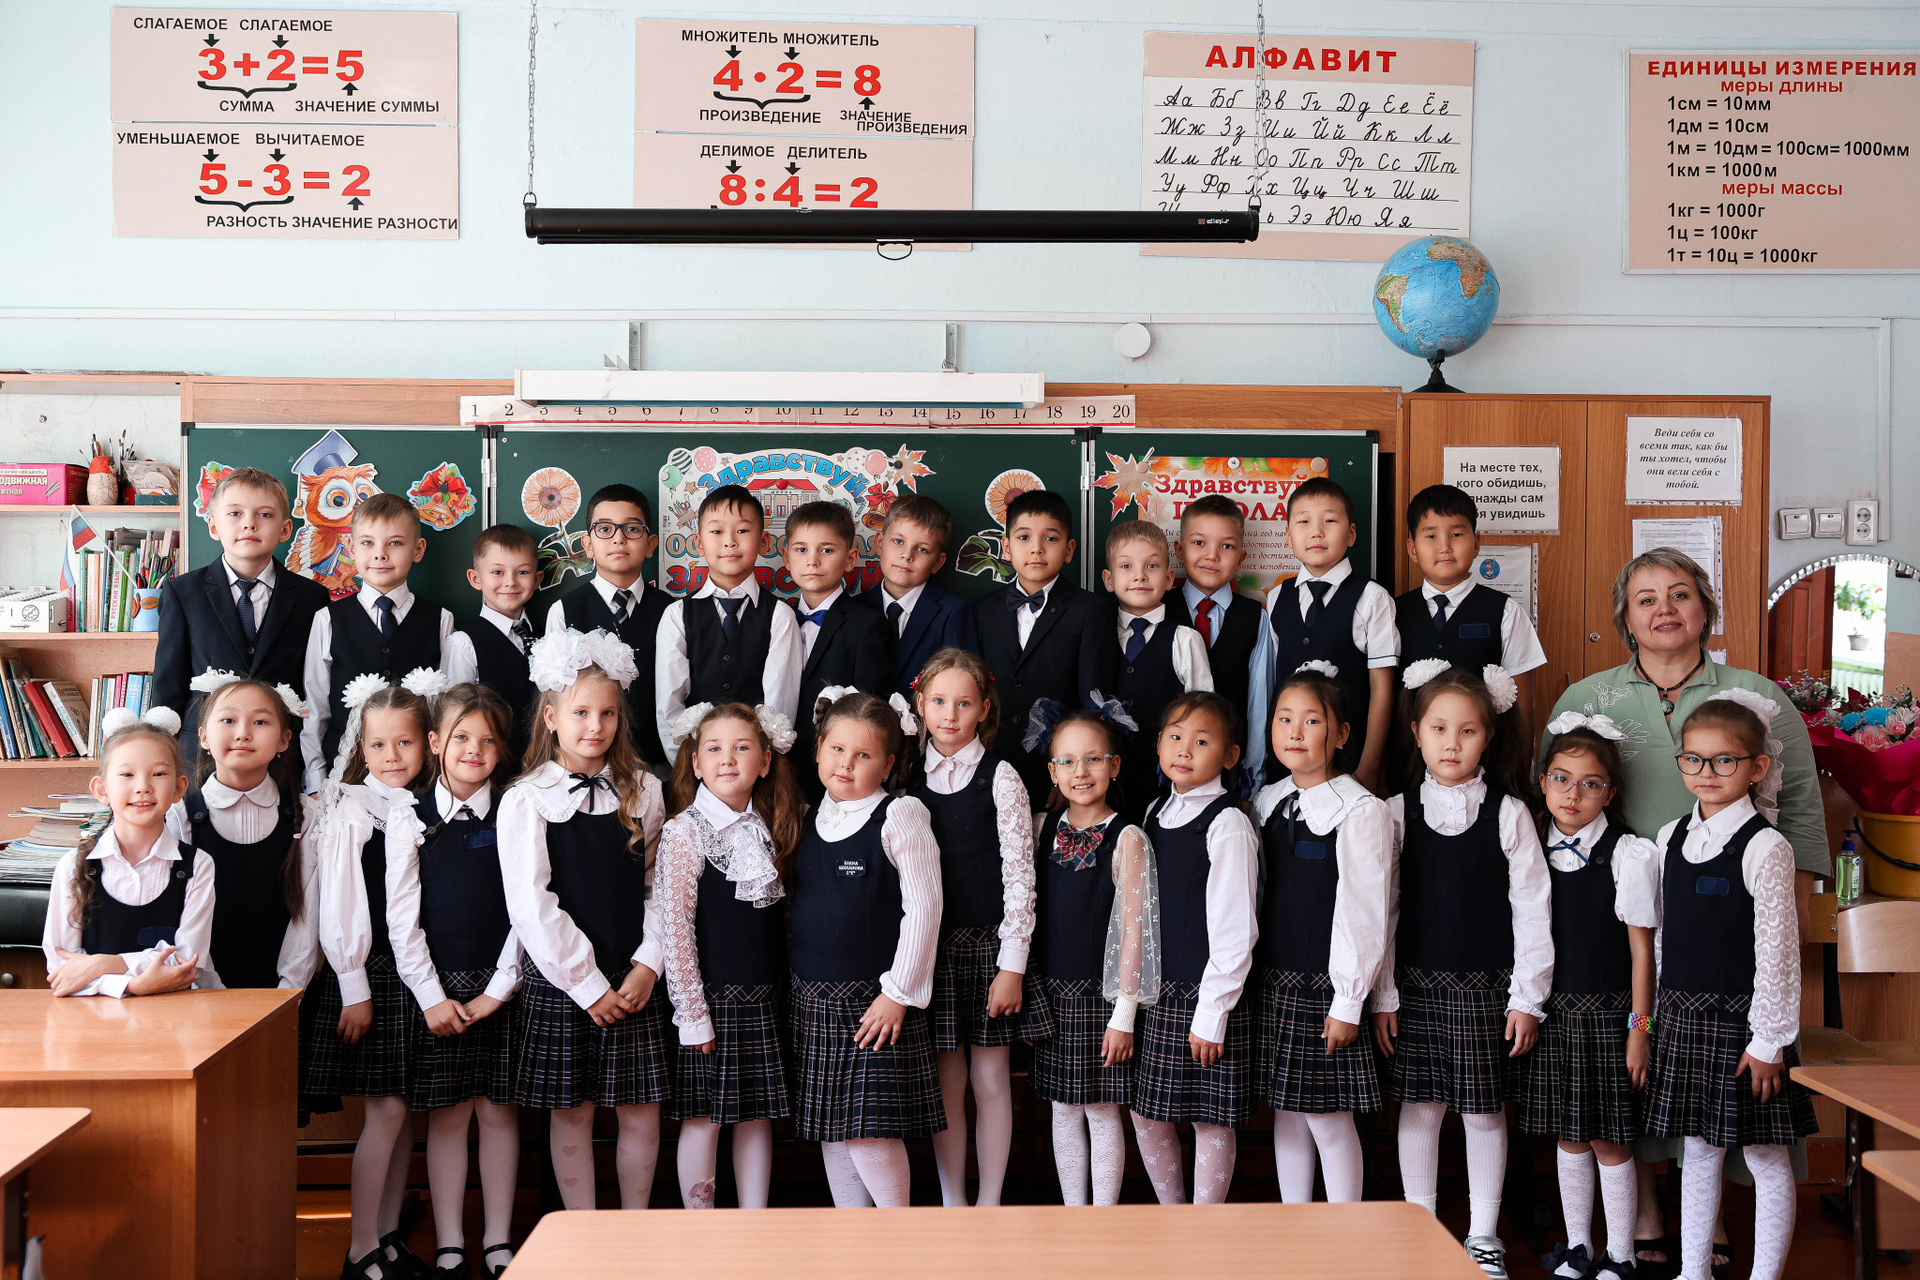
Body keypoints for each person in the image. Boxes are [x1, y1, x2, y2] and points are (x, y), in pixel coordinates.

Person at [1544, 548, 1832, 1273]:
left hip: (1731, 913)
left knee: (1725, 1099)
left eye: (1680, 593)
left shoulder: (1754, 694)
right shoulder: (1588, 696)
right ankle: (1643, 1211)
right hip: (1617, 920)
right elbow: (1556, 795)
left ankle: (1712, 1226)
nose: (1664, 609)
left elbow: (1801, 808)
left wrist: (1795, 905)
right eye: (1645, 598)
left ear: (1706, 607)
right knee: (1634, 1071)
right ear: (1625, 617)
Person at [1373, 661, 1551, 1280]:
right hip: (1414, 988)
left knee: (1482, 1111)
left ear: (1489, 737)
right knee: (1420, 1108)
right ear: (1416, 732)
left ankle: (1483, 1235)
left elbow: (1532, 910)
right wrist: (1383, 995)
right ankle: (1419, 1228)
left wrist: (1527, 999)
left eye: (1467, 730)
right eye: (1439, 728)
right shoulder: (1394, 813)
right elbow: (1381, 914)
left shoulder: (1510, 813)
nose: (1452, 743)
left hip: (1487, 991)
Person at [1644, 693, 1818, 1280]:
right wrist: (1654, 1020)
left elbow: (1778, 953)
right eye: (1693, 759)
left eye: (1724, 760)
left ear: (1757, 766)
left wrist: (1769, 1041)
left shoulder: (1766, 846)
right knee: (1697, 1151)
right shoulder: (1669, 837)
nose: (1707, 772)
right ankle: (1693, 1271)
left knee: (1766, 1157)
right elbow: (1663, 938)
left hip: (1744, 1030)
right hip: (1682, 1019)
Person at [496, 628, 670, 1211]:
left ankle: (635, 1230)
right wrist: (587, 985)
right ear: (551, 717)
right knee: (572, 1114)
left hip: (632, 976)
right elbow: (531, 904)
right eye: (580, 713)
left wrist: (648, 963)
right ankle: (583, 1233)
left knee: (641, 1111)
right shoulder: (527, 799)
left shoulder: (644, 790)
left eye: (608, 713)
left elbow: (659, 884)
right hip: (566, 980)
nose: (595, 725)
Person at [385, 683, 522, 1279]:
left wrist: (501, 986)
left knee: (498, 1112)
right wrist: (431, 998)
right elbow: (401, 919)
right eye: (462, 737)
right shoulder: (409, 816)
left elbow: (527, 910)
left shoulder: (515, 809)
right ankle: (449, 1241)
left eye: (488, 741)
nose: (474, 750)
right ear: (436, 742)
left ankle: (497, 1238)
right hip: (437, 990)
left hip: (502, 986)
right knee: (446, 1116)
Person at [787, 692, 944, 1209]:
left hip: (873, 1004)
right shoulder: (806, 817)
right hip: (813, 999)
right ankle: (855, 1240)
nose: (846, 764)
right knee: (834, 1132)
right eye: (837, 749)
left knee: (869, 1135)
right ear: (817, 751)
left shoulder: (899, 815)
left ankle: (900, 1237)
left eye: (863, 755)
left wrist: (897, 994)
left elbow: (924, 908)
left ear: (889, 763)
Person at [308, 675, 441, 1280]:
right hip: (371, 975)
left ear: (427, 743)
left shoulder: (425, 803)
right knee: (385, 1112)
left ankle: (388, 1237)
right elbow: (339, 904)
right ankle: (359, 1245)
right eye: (379, 745)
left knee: (405, 1113)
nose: (392, 756)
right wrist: (354, 986)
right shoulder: (352, 810)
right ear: (361, 748)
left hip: (414, 976)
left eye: (404, 743)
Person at [908, 648, 1049, 1207]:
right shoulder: (904, 775)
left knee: (990, 1079)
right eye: (939, 701)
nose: (950, 714)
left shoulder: (1001, 776)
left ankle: (990, 1203)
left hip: (990, 949)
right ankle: (953, 1203)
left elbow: (1020, 877)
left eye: (964, 703)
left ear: (984, 709)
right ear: (921, 704)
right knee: (946, 1082)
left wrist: (1011, 966)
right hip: (931, 951)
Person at [1522, 714, 1660, 1280]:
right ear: (1543, 781)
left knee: (1608, 1139)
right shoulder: (1530, 846)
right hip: (1553, 1015)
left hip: (1608, 1019)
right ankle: (1578, 1247)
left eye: (1590, 783)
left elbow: (1643, 953)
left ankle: (1620, 1253)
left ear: (1611, 791)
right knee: (1570, 1136)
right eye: (1561, 778)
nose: (1572, 794)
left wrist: (1639, 1031)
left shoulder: (1628, 854)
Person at [1252, 662, 1391, 1205]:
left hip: (1325, 988)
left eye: (1312, 720)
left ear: (1341, 734)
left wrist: (1349, 1002)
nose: (1295, 732)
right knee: (1287, 1112)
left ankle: (1346, 1236)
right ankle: (1297, 1228)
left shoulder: (1360, 810)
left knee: (1329, 1118)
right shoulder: (1267, 801)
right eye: (1284, 718)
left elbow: (1366, 911)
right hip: (1275, 981)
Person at [657, 702, 804, 1211]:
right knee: (705, 1118)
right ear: (696, 763)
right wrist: (693, 1013)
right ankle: (701, 1232)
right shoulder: (685, 831)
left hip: (764, 997)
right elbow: (675, 930)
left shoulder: (770, 825)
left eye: (742, 748)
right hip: (712, 1003)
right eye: (714, 749)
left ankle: (753, 1225)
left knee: (756, 1114)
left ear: (764, 762)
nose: (727, 759)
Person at [1130, 692, 1259, 1205]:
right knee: (1147, 1112)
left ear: (1230, 755)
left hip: (1205, 997)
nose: (1185, 750)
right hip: (1157, 994)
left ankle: (1207, 1226)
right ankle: (1174, 1216)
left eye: (1202, 741)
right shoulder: (1154, 811)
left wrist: (1212, 1013)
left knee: (1211, 1117)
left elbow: (1235, 930)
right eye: (1176, 737)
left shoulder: (1228, 824)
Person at [1030, 710, 1160, 1207]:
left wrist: (1123, 1014)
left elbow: (1135, 930)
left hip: (1102, 1001)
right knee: (1063, 1109)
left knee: (1103, 1110)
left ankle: (1103, 1219)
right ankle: (1074, 1216)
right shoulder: (1041, 828)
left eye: (1093, 759)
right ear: (1052, 772)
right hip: (1052, 996)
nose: (1080, 772)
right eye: (1066, 761)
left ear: (1115, 766)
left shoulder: (1128, 838)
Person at [153, 466, 330, 753]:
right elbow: (168, 687)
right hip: (203, 754)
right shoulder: (183, 593)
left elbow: (316, 687)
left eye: (265, 514)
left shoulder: (312, 597)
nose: (249, 524)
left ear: (285, 529)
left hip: (284, 751)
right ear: (214, 527)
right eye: (235, 513)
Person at [167, 673, 319, 992]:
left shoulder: (305, 815)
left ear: (284, 740)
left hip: (286, 994)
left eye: (260, 722)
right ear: (203, 737)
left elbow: (308, 914)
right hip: (200, 992)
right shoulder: (180, 816)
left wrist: (288, 991)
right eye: (228, 720)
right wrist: (210, 990)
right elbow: (179, 915)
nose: (243, 734)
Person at [43, 706, 208, 999]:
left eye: (158, 773)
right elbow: (62, 970)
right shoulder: (73, 867)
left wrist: (103, 965)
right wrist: (133, 986)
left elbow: (187, 962)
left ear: (179, 787)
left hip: (177, 1012)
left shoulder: (198, 865)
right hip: (92, 1016)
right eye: (127, 774)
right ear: (101, 789)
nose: (143, 787)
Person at [1247, 477, 1398, 793]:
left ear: (1351, 533)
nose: (1316, 531)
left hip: (1349, 764)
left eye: (1330, 521)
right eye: (1304, 522)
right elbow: (1271, 683)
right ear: (1288, 536)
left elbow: (1382, 688)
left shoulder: (1372, 598)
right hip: (1286, 766)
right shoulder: (1277, 598)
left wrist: (1369, 766)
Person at [302, 493, 455, 793]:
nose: (380, 555)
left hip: (419, 781)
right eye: (368, 543)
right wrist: (317, 781)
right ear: (351, 548)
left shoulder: (441, 619)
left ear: (418, 549)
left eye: (395, 543)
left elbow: (446, 710)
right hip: (344, 778)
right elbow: (316, 709)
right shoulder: (327, 619)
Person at [973, 489, 1118, 800]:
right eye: (1024, 537)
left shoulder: (1091, 611)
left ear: (1069, 549)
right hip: (988, 766)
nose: (1037, 548)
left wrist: (1069, 775)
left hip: (1055, 772)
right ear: (1007, 547)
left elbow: (1092, 702)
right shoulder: (982, 609)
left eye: (1050, 538)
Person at [656, 485, 803, 756]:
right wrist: (686, 767)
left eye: (743, 530)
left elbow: (781, 708)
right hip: (695, 763)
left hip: (760, 764)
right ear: (699, 543)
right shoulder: (677, 615)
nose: (730, 542)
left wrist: (763, 764)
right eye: (716, 531)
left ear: (764, 541)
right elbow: (669, 708)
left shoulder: (780, 616)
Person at [1396, 485, 1547, 736]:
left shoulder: (1506, 612)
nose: (1445, 546)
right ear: (1412, 549)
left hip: (1486, 758)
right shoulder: (1392, 612)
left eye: (1456, 534)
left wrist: (1519, 761)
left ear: (1476, 544)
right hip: (1407, 757)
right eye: (1431, 536)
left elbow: (1522, 712)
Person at [545, 484, 674, 765]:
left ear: (650, 544)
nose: (618, 538)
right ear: (588, 545)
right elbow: (556, 697)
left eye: (632, 529)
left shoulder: (673, 611)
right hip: (587, 764)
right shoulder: (564, 611)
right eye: (604, 529)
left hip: (659, 762)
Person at [1104, 519, 1213, 823]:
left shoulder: (1184, 639)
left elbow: (1204, 716)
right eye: (1126, 566)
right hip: (1104, 787)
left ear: (1168, 578)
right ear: (1109, 579)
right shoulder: (1096, 635)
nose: (1139, 575)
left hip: (1167, 786)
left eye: (1151, 566)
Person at [784, 500, 893, 794]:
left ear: (850, 558)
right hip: (774, 775)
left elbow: (867, 713)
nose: (812, 561)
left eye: (827, 550)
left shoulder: (867, 625)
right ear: (786, 557)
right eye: (801, 549)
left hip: (834, 779)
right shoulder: (775, 618)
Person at [855, 494, 979, 700]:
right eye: (898, 541)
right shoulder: (855, 609)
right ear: (880, 544)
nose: (907, 555)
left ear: (937, 562)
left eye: (922, 549)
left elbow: (963, 685)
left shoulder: (953, 612)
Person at [446, 524, 542, 763]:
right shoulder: (464, 643)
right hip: (492, 766)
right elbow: (456, 718)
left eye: (522, 572)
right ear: (475, 578)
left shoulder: (549, 636)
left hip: (544, 765)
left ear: (537, 579)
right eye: (498, 572)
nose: (510, 582)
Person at [1163, 494, 1263, 720]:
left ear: (1240, 560)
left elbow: (1260, 699)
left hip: (1233, 739)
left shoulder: (1256, 617)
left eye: (1227, 546)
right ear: (1180, 551)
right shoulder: (1159, 609)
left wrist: (1256, 746)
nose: (1212, 556)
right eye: (1199, 543)